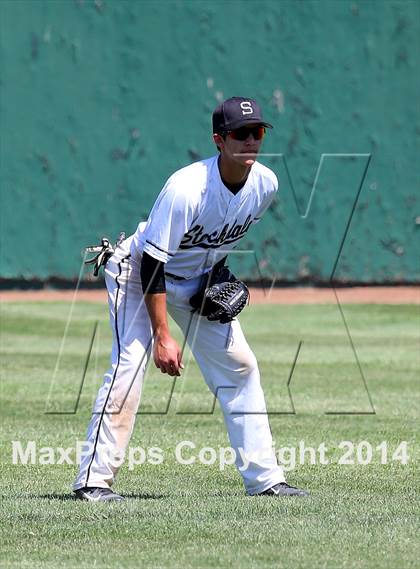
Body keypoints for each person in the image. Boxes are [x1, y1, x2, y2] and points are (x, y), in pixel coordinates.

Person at [73, 96, 308, 501]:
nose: (251, 140)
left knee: (241, 368)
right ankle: (92, 482)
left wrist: (215, 273)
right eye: (241, 133)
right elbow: (153, 263)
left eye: (258, 132)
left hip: (195, 279)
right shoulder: (187, 188)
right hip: (139, 274)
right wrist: (163, 334)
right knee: (130, 367)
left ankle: (266, 480)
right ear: (220, 139)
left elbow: (217, 238)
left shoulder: (265, 184)